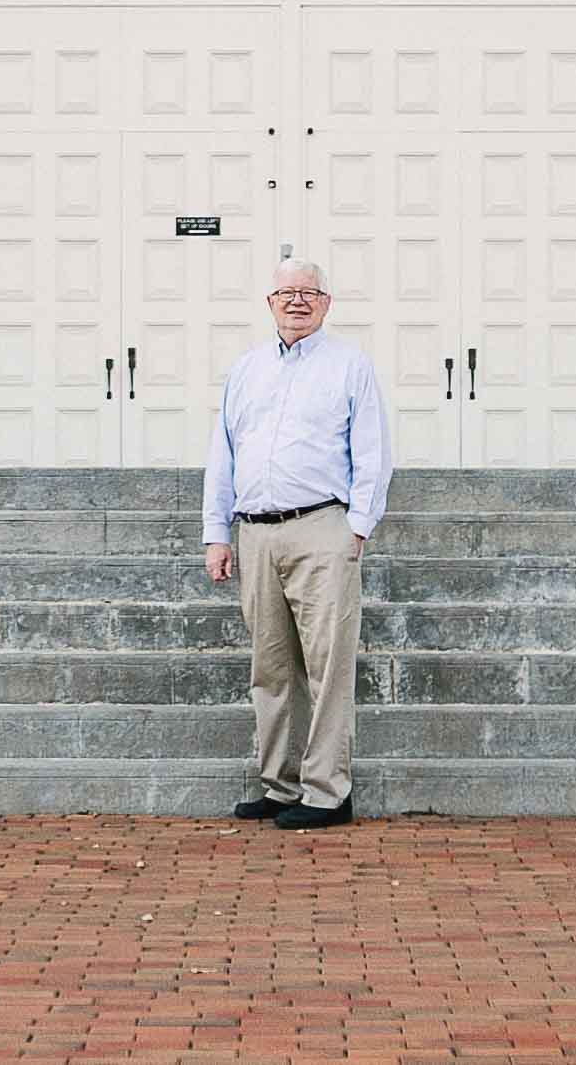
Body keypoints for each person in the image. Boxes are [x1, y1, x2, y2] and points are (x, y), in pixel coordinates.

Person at [200, 255, 389, 829]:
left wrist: (358, 525)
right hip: (256, 532)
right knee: (272, 666)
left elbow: (373, 451)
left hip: (322, 529)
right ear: (270, 302)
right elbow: (223, 455)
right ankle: (278, 784)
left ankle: (327, 791)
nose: (298, 301)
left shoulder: (349, 365)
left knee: (327, 666)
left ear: (326, 303)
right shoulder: (247, 369)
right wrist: (217, 533)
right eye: (287, 292)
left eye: (310, 292)